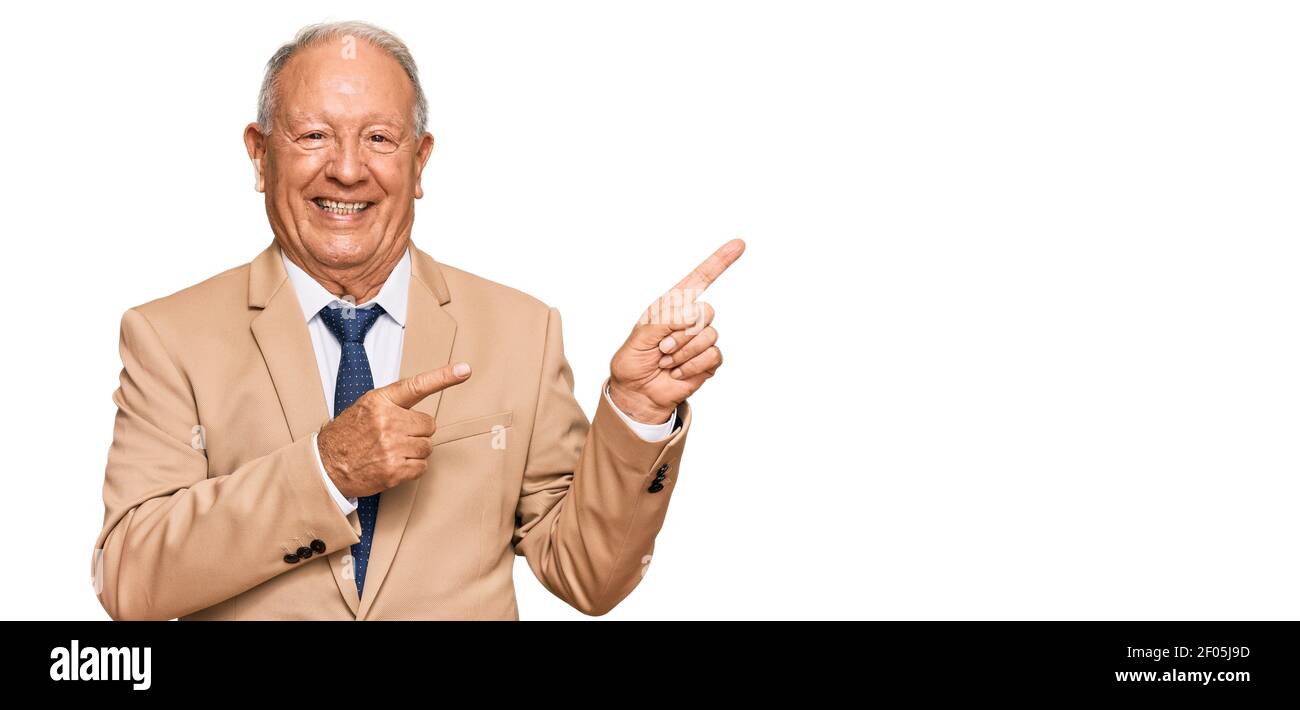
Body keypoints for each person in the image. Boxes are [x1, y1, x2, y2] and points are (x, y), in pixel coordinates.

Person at [91, 20, 742, 619]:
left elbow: (589, 576)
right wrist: (325, 472)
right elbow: (130, 579)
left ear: (420, 162)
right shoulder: (167, 337)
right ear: (260, 156)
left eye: (378, 138)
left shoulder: (523, 331)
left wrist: (635, 412)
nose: (347, 170)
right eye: (314, 135)